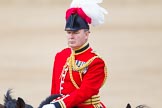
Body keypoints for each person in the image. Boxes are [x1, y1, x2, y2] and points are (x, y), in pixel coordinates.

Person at [42, 0, 108, 108]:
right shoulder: (61, 56)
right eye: (69, 32)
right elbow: (55, 89)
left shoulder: (96, 62)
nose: (71, 36)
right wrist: (51, 103)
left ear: (86, 34)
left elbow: (84, 92)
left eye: (76, 32)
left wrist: (58, 105)